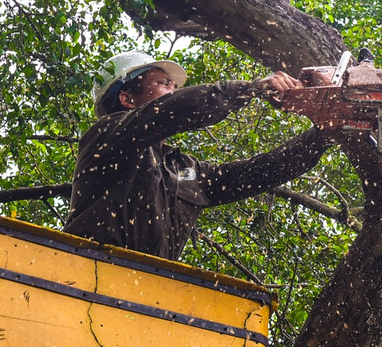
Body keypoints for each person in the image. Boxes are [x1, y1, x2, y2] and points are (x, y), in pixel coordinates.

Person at [64, 51, 335, 260]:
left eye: (174, 85)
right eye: (164, 83)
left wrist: (323, 135)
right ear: (126, 99)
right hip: (84, 273)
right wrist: (250, 89)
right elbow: (173, 109)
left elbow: (255, 173)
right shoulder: (107, 136)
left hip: (148, 291)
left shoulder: (183, 169)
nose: (174, 91)